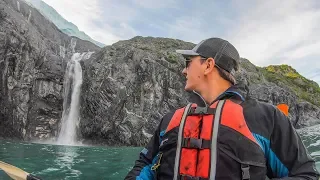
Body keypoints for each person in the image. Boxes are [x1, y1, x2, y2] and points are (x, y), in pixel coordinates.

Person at [125, 37, 320, 180]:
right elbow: (144, 166)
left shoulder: (267, 118)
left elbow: (306, 175)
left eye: (188, 62)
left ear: (208, 65)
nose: (183, 70)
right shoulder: (169, 120)